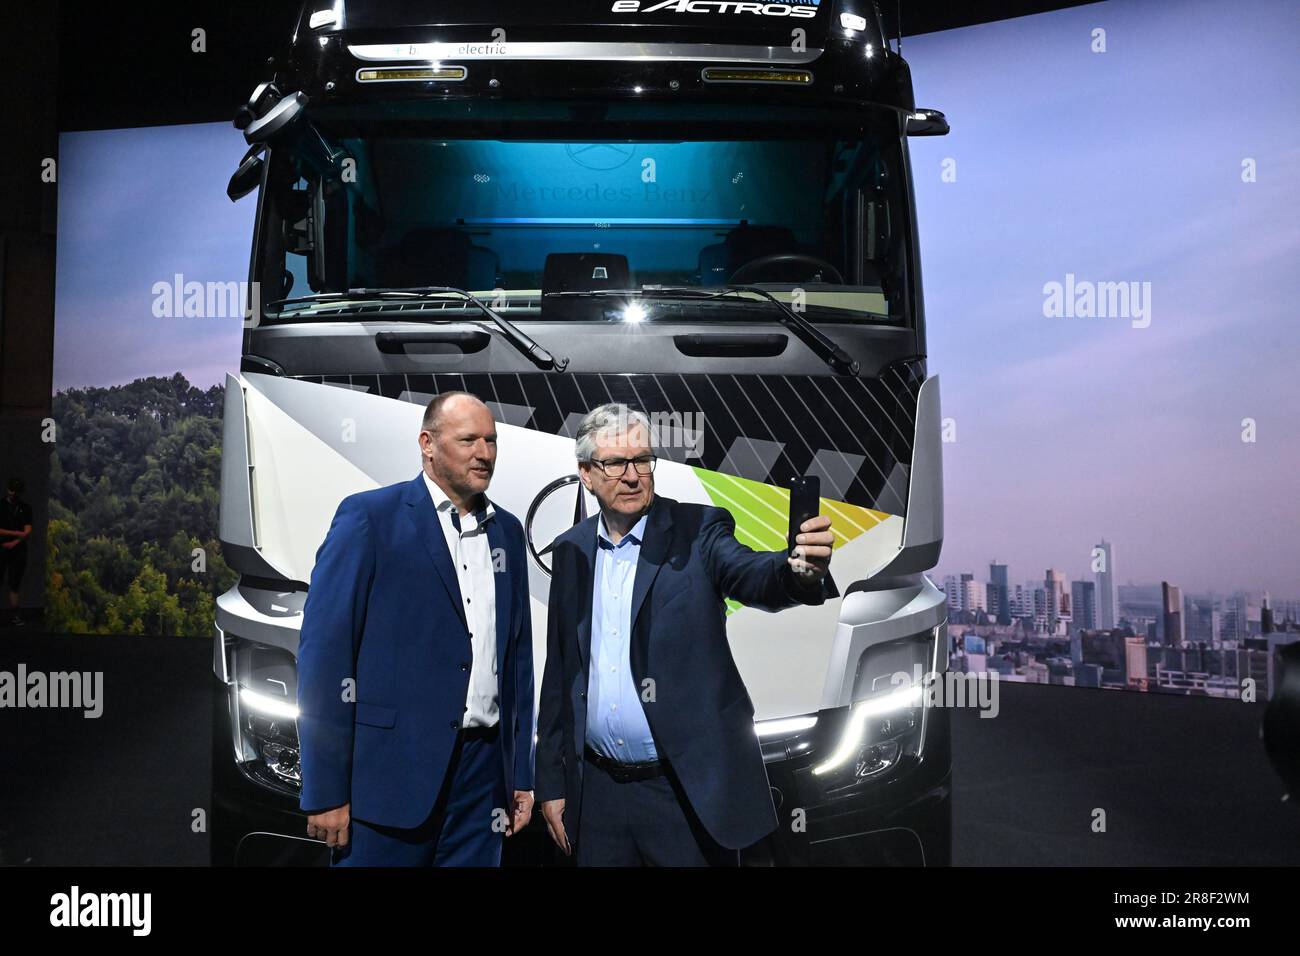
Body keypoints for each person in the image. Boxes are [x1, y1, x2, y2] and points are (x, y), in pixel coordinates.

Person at [536, 403, 837, 866]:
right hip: (596, 798)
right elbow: (560, 675)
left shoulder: (699, 532)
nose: (633, 475)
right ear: (586, 473)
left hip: (683, 794)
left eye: (642, 460)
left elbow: (753, 574)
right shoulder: (572, 550)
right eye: (616, 463)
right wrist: (551, 785)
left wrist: (797, 570)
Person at [297, 392, 534, 866]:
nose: (484, 453)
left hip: (482, 783)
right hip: (387, 782)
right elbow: (324, 657)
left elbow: (517, 662)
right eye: (468, 440)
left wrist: (520, 774)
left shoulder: (507, 531)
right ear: (428, 444)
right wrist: (324, 789)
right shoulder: (369, 518)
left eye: (491, 440)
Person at [0, 478, 33, 627]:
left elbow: (28, 531)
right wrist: (17, 533)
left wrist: (14, 541)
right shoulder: (0, 505)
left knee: (15, 584)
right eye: (12, 490)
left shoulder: (25, 507)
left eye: (16, 491)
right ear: (8, 489)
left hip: (17, 550)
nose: (13, 493)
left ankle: (14, 615)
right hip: (1, 547)